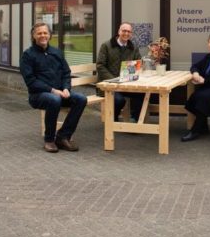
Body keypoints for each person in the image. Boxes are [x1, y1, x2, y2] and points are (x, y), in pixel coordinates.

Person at [20, 22, 86, 153]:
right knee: (54, 100)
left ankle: (63, 137)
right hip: (38, 95)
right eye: (39, 33)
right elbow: (31, 81)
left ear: (50, 35)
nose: (42, 35)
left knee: (81, 99)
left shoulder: (57, 52)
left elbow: (66, 73)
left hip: (61, 93)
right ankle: (49, 140)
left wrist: (66, 88)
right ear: (34, 36)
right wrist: (53, 90)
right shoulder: (27, 55)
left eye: (45, 33)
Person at [96, 22, 143, 122]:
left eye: (129, 32)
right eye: (124, 31)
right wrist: (114, 79)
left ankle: (135, 120)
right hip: (108, 85)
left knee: (141, 94)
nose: (126, 33)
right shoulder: (106, 45)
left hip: (126, 84)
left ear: (131, 34)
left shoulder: (133, 47)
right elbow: (100, 66)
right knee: (119, 100)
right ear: (119, 31)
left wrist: (134, 72)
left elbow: (138, 63)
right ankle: (113, 120)